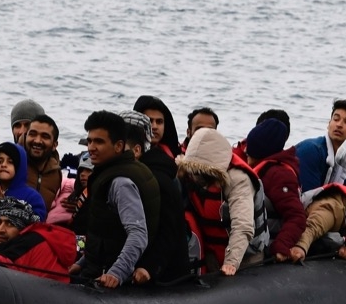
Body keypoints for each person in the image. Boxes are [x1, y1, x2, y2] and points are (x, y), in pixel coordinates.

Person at [70, 110, 160, 288]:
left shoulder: (120, 183)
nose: (91, 148)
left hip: (114, 281)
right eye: (89, 141)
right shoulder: (116, 170)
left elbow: (138, 235)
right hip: (97, 268)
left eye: (99, 142)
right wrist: (81, 263)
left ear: (118, 146)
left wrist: (116, 273)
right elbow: (105, 232)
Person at [176, 127, 268, 275]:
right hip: (212, 253)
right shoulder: (189, 174)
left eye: (200, 172)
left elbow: (243, 225)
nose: (195, 176)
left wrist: (231, 262)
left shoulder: (239, 180)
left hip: (246, 258)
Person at [121, 110, 190, 285]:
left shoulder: (157, 177)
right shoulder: (127, 173)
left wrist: (149, 267)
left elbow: (169, 229)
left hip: (163, 276)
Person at [0, 197, 79, 283]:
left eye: (9, 224)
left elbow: (5, 263)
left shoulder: (30, 241)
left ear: (22, 229)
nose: (1, 230)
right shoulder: (30, 239)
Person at [243, 118, 307, 263]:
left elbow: (296, 216)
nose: (247, 156)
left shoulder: (279, 175)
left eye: (250, 153)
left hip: (269, 243)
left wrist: (281, 246)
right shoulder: (265, 168)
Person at [296, 99, 346, 192]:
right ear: (329, 124)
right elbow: (307, 198)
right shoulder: (311, 150)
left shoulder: (344, 164)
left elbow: (344, 197)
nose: (339, 125)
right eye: (336, 119)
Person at [0, 141, 48, 222]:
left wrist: (6, 206)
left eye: (10, 162)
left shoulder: (32, 197)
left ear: (20, 166)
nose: (3, 165)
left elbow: (38, 223)